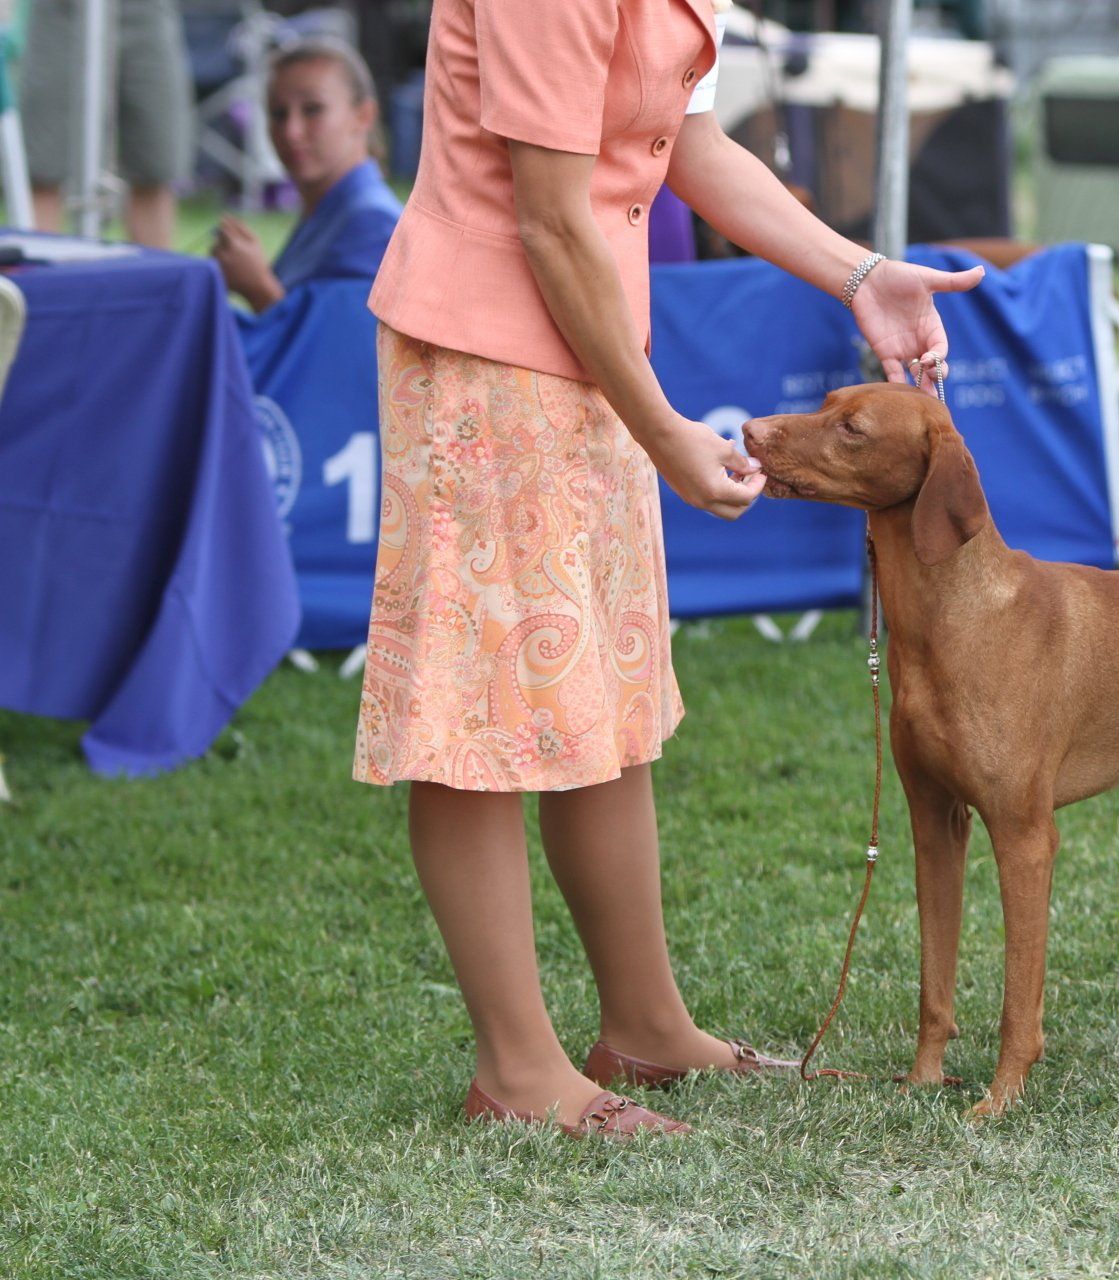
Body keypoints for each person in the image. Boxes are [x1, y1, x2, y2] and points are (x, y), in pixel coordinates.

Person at [353, 0, 981, 1139]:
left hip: (587, 342)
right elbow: (547, 219)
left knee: (604, 690)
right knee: (477, 712)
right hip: (486, 354)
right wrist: (660, 428)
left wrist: (861, 274)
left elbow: (688, 143)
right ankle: (517, 1073)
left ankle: (644, 1023)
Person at [213, 38, 402, 312]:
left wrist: (258, 287)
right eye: (278, 114)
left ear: (364, 115)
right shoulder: (327, 209)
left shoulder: (373, 223)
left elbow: (337, 347)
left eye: (313, 109)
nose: (291, 132)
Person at [23, 0, 193, 248]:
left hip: (147, 10)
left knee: (155, 164)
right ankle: (38, 279)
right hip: (61, 10)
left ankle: (151, 281)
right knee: (44, 168)